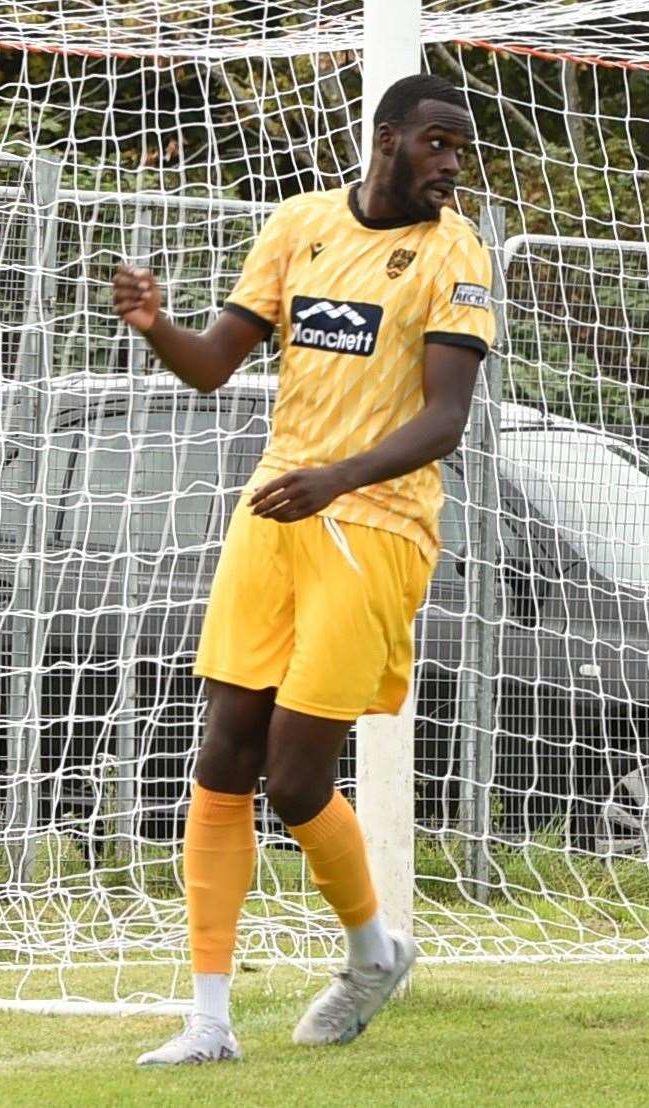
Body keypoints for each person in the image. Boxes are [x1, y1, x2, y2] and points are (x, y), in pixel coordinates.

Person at [114, 72, 496, 1066]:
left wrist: (334, 478)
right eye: (435, 144)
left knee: (292, 778)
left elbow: (442, 420)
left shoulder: (452, 253)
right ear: (384, 139)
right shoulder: (295, 225)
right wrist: (157, 325)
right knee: (220, 755)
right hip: (275, 511)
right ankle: (206, 1019)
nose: (450, 164)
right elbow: (212, 366)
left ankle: (373, 952)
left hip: (375, 526)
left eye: (460, 148)